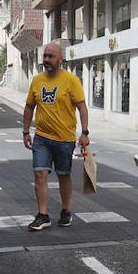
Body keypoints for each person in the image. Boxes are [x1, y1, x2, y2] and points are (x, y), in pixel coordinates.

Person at [23, 42, 89, 231]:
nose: (46, 60)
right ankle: (43, 215)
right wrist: (26, 131)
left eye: (51, 56)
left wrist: (84, 132)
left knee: (63, 176)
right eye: (45, 56)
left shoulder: (71, 80)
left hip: (65, 139)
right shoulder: (37, 80)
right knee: (40, 174)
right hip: (42, 138)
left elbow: (82, 107)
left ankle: (66, 210)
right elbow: (29, 107)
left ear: (61, 59)